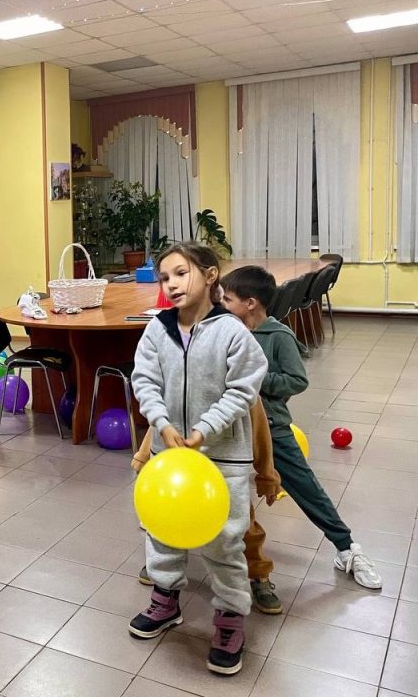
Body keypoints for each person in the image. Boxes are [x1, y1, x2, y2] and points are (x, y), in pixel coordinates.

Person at [129, 242, 267, 677]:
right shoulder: (157, 330)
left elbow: (244, 388)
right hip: (170, 456)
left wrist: (206, 428)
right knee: (161, 530)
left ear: (209, 276)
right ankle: (165, 600)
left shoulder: (232, 332)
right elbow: (144, 380)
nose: (170, 284)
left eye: (180, 273)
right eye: (164, 277)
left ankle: (229, 619)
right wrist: (161, 422)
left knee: (225, 539)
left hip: (221, 458)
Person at [221, 265, 382, 590]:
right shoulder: (227, 331)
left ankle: (347, 548)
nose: (221, 304)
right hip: (229, 427)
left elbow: (297, 380)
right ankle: (171, 543)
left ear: (250, 303)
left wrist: (254, 379)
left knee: (306, 487)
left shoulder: (278, 336)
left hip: (271, 426)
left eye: (227, 299)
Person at [134, 399, 284, 615]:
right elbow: (160, 420)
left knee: (243, 529)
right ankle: (164, 574)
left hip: (224, 469)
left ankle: (259, 573)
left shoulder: (239, 386)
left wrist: (267, 476)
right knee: (169, 520)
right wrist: (144, 457)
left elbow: (259, 429)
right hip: (180, 470)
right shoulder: (175, 379)